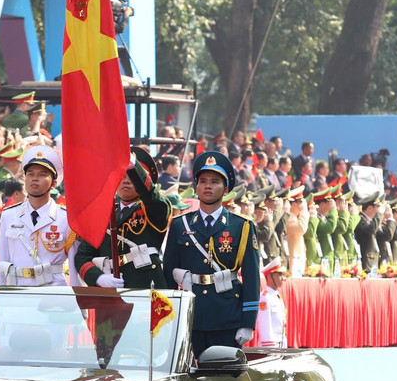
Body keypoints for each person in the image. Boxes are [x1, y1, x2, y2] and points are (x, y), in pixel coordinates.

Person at [163, 151, 260, 358]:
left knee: (224, 373)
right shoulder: (180, 225)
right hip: (190, 316)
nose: (208, 186)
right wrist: (168, 317)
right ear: (196, 187)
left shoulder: (241, 226)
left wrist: (248, 322)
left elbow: (251, 277)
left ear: (226, 189)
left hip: (227, 317)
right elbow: (168, 275)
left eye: (215, 182)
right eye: (203, 181)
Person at [75, 147, 171, 289]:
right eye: (121, 175)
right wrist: (98, 277)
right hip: (110, 288)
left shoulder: (154, 207)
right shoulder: (103, 212)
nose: (126, 180)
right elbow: (82, 255)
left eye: (132, 176)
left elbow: (152, 196)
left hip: (146, 288)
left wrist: (134, 167)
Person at [0, 145, 72, 286]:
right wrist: (0, 294)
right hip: (18, 289)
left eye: (42, 174)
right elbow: (2, 260)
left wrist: (77, 296)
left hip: (53, 290)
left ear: (54, 183)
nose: (35, 179)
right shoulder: (9, 215)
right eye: (30, 174)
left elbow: (73, 264)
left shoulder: (65, 218)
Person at [254, 257, 288, 349]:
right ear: (269, 277)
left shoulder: (276, 295)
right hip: (270, 345)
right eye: (279, 275)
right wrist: (269, 347)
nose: (282, 278)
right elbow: (264, 324)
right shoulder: (265, 298)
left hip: (280, 343)